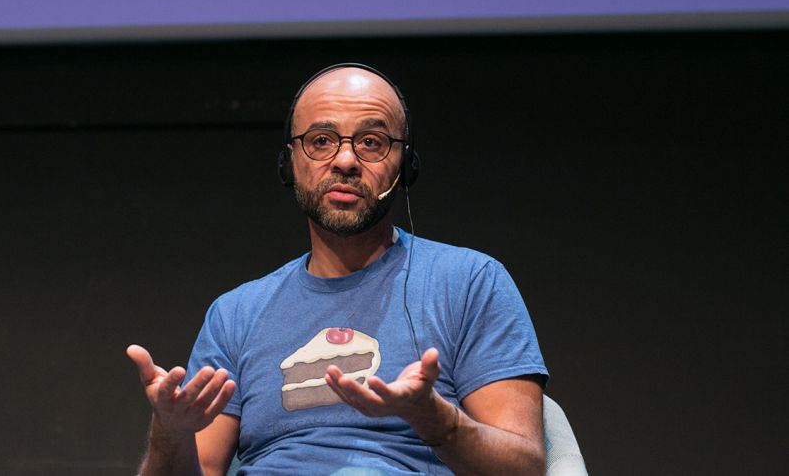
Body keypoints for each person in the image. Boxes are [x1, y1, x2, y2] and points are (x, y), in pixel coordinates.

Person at [127, 64, 548, 475]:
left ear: (406, 165)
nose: (345, 160)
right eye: (322, 140)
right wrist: (170, 432)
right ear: (290, 163)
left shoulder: (470, 282)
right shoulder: (236, 314)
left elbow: (525, 468)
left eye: (371, 141)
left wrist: (436, 418)